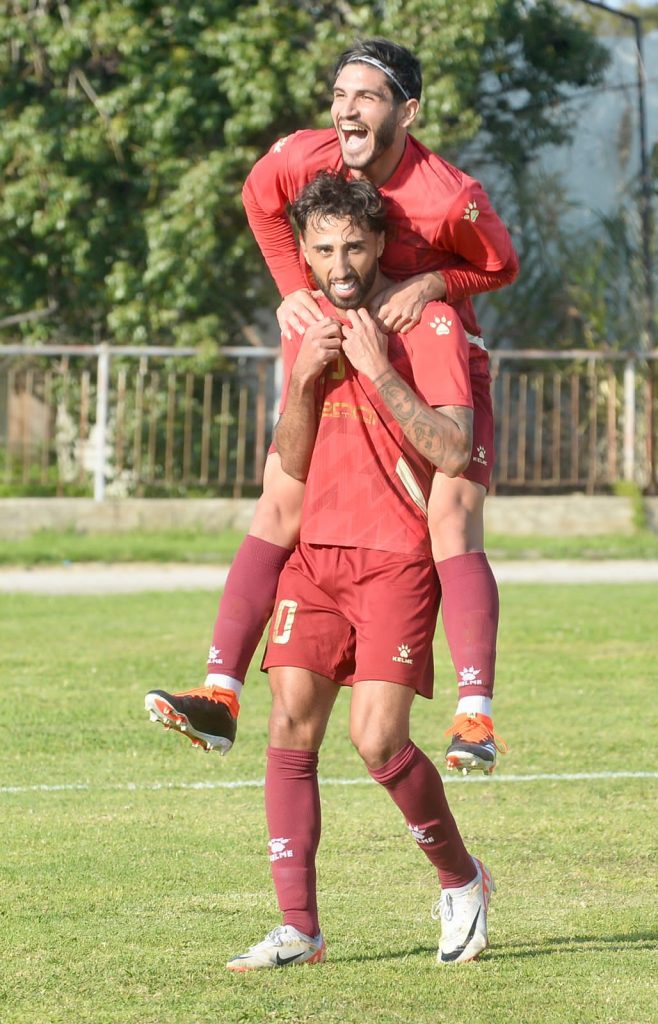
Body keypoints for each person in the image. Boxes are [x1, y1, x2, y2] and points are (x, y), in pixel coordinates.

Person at [145, 38, 516, 773]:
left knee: (451, 515)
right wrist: (293, 290)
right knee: (280, 495)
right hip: (342, 337)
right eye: (340, 93)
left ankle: (476, 715)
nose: (347, 109)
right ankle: (220, 693)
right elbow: (259, 201)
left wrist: (433, 286)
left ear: (407, 112)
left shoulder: (449, 194)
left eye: (367, 96)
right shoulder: (303, 156)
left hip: (431, 348)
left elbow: (499, 264)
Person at [226, 171, 494, 971]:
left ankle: (462, 879)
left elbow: (453, 450)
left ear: (379, 243)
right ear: (304, 255)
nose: (339, 265)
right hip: (316, 557)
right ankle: (299, 928)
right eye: (323, 250)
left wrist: (378, 369)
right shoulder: (304, 322)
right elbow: (292, 459)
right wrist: (306, 375)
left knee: (377, 741)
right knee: (289, 725)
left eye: (353, 246)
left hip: (397, 561)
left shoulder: (428, 321)